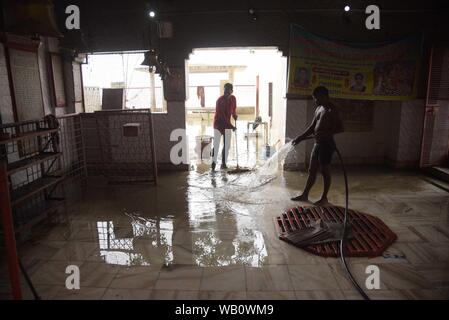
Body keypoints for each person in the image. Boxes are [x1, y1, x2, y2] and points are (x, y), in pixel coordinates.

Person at [291, 86, 344, 205]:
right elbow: (312, 127)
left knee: (325, 171)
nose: (315, 101)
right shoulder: (319, 108)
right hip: (318, 143)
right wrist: (300, 137)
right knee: (312, 169)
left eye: (316, 98)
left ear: (324, 96)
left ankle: (324, 198)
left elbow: (341, 128)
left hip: (327, 144)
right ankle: (305, 195)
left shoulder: (333, 110)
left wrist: (326, 134)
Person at [211, 83, 238, 171]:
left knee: (227, 145)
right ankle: (213, 164)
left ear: (231, 91)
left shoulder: (233, 99)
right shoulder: (219, 101)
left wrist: (234, 115)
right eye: (225, 91)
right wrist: (232, 127)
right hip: (218, 125)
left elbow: (233, 109)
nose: (226, 93)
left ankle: (223, 164)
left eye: (228, 91)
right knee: (217, 144)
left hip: (227, 125)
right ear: (224, 90)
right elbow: (222, 117)